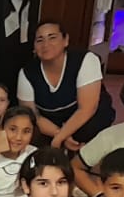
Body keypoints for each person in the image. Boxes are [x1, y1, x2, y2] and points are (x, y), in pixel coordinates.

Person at [18, 20, 117, 151]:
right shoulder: (27, 72)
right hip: (52, 122)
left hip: (88, 117)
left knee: (86, 133)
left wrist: (59, 139)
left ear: (65, 40)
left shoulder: (86, 59)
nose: (45, 44)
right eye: (39, 40)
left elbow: (87, 109)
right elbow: (32, 115)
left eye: (52, 37)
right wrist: (60, 135)